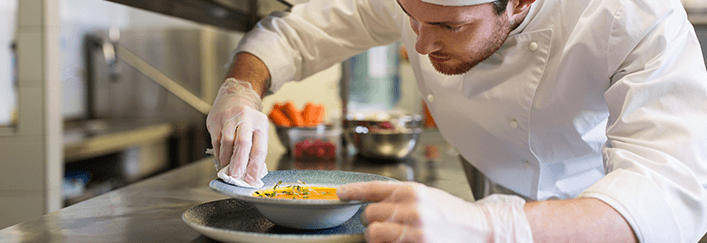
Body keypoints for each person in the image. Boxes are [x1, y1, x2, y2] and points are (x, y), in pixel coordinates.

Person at [206, 0, 707, 241]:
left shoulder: (633, 16)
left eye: (448, 26)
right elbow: (295, 34)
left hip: (594, 220)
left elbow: (669, 191)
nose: (421, 45)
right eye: (411, 18)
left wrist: (494, 228)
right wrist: (240, 90)